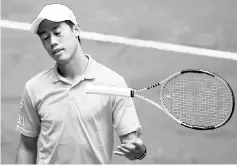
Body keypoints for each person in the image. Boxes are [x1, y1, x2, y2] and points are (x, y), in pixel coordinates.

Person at [15, 3, 146, 164]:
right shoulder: (34, 88)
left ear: (76, 30)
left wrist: (139, 151)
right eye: (45, 37)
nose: (52, 42)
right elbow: (27, 147)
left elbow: (133, 146)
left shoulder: (113, 83)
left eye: (57, 32)